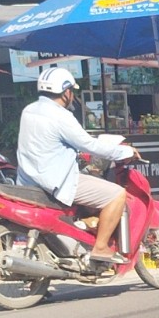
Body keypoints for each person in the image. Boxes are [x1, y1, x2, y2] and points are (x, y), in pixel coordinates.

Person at [18, 64, 127, 266]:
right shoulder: (61, 116)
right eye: (71, 91)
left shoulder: (29, 111)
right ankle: (101, 247)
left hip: (28, 182)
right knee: (117, 194)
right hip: (56, 183)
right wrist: (125, 152)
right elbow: (90, 145)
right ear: (66, 92)